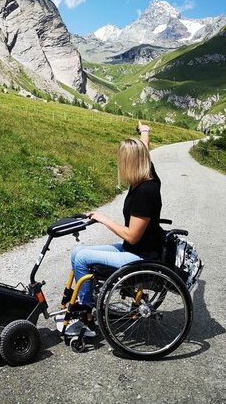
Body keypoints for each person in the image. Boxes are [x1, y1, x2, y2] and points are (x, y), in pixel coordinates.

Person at [69, 121, 163, 334]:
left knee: (82, 259)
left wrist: (103, 219)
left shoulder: (146, 192)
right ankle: (86, 303)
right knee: (76, 252)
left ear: (130, 163)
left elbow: (132, 236)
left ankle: (86, 314)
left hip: (141, 256)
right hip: (135, 250)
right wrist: (144, 131)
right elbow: (144, 147)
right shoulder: (145, 176)